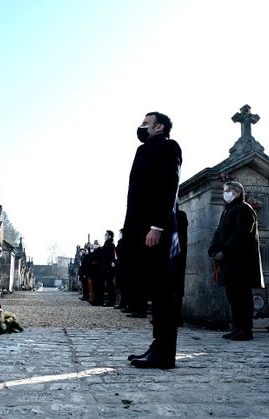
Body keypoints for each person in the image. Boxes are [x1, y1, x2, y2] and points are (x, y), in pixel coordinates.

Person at [123, 111, 182, 369]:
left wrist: (157, 225)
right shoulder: (143, 150)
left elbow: (169, 186)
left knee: (163, 290)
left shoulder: (169, 147)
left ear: (158, 127)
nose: (141, 127)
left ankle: (166, 353)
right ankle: (157, 345)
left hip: (157, 230)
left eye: (145, 124)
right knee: (153, 291)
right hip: (140, 230)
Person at [208, 181, 264, 341]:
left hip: (241, 261)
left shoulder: (244, 209)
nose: (225, 193)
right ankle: (237, 326)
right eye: (224, 190)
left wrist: (224, 251)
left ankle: (246, 329)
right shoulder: (226, 211)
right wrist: (213, 248)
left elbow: (241, 234)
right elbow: (218, 232)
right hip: (229, 262)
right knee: (233, 295)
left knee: (242, 296)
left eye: (228, 190)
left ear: (238, 192)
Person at [101, 230, 117, 306]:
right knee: (108, 285)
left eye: (106, 234)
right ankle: (110, 301)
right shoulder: (106, 244)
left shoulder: (111, 245)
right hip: (105, 267)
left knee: (110, 285)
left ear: (110, 236)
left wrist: (112, 263)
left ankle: (112, 301)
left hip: (109, 267)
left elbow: (112, 256)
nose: (105, 235)